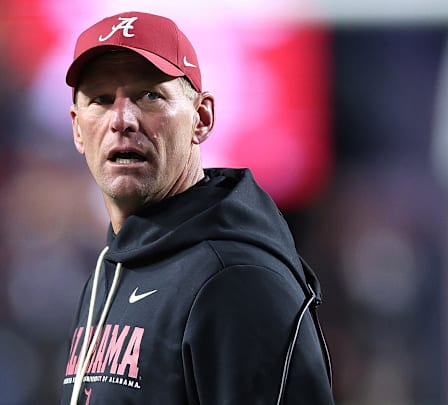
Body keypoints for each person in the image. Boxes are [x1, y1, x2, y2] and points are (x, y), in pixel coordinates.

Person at [60, 11, 334, 405]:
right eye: (101, 99)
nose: (122, 120)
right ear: (77, 128)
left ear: (201, 119)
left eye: (149, 95)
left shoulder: (235, 279)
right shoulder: (110, 268)